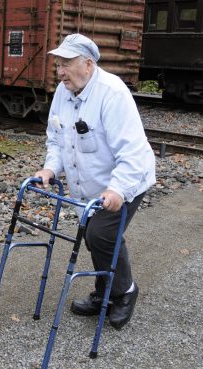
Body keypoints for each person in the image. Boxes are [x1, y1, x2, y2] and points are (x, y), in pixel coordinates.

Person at [34, 33, 156, 329]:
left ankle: (124, 291)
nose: (60, 72)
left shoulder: (112, 93)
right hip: (89, 188)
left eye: (66, 64)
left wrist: (118, 189)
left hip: (126, 180)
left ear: (88, 64)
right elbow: (57, 137)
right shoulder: (64, 91)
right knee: (94, 236)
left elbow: (132, 152)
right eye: (58, 65)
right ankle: (105, 291)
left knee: (101, 235)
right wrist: (49, 169)